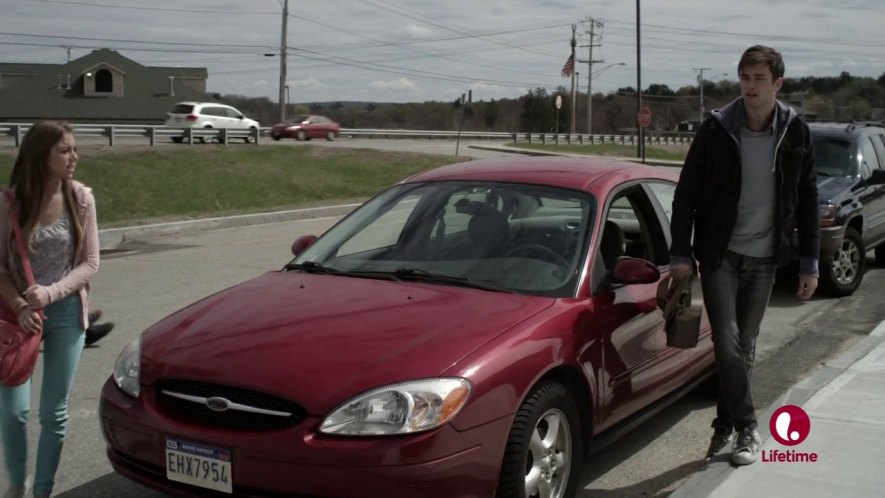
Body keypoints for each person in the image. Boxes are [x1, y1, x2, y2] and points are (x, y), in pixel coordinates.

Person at [669, 45, 819, 466]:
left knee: (745, 346)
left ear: (777, 83)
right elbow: (686, 194)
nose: (750, 86)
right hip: (721, 255)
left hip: (766, 257)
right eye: (744, 78)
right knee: (728, 343)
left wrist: (810, 262)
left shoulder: (795, 132)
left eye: (758, 79)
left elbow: (807, 198)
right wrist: (680, 251)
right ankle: (750, 429)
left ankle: (722, 429)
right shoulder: (716, 129)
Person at [0, 121, 99, 498]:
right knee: (13, 412)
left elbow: (90, 262)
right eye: (65, 150)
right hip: (16, 315)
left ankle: (42, 490)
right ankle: (15, 484)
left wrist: (52, 293)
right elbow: (0, 267)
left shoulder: (81, 198)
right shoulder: (9, 203)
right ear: (41, 154)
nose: (74, 157)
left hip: (65, 313)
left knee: (53, 413)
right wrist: (21, 303)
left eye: (74, 149)